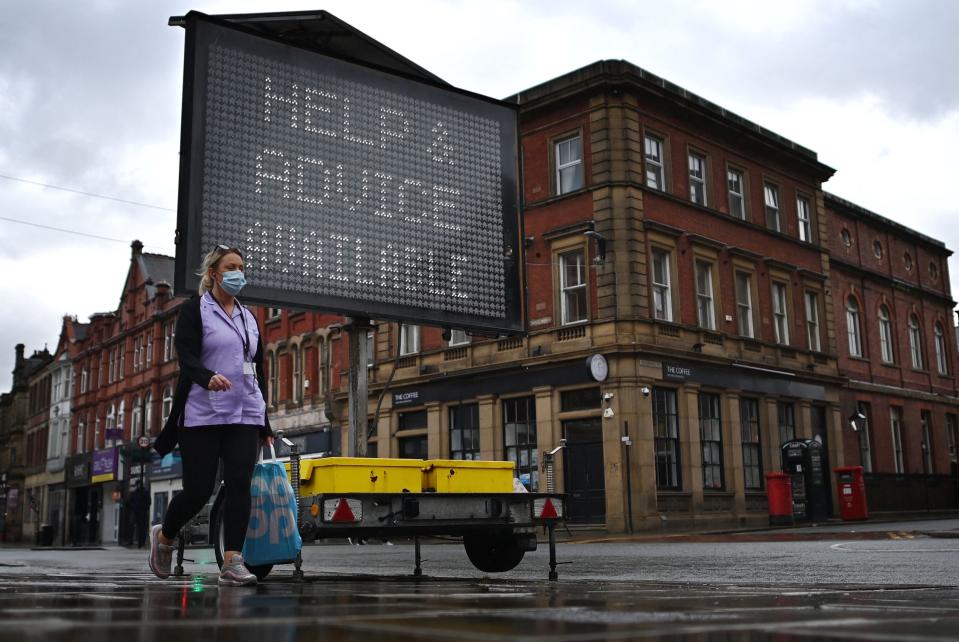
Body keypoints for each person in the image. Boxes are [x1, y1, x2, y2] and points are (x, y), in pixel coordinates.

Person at [150, 245, 273, 587]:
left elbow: (257, 368)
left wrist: (265, 422)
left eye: (242, 266)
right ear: (214, 273)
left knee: (239, 486)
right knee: (199, 490)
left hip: (245, 413)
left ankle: (233, 560)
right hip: (203, 414)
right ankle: (165, 535)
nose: (239, 273)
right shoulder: (195, 310)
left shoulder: (249, 317)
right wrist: (206, 377)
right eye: (231, 266)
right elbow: (185, 356)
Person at [129, 482, 150, 549]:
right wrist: (133, 507)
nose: (139, 486)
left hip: (142, 512)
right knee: (132, 525)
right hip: (135, 512)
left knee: (142, 528)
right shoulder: (134, 493)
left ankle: (141, 543)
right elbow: (130, 501)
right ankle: (131, 541)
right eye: (138, 485)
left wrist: (145, 508)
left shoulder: (145, 492)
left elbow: (149, 502)